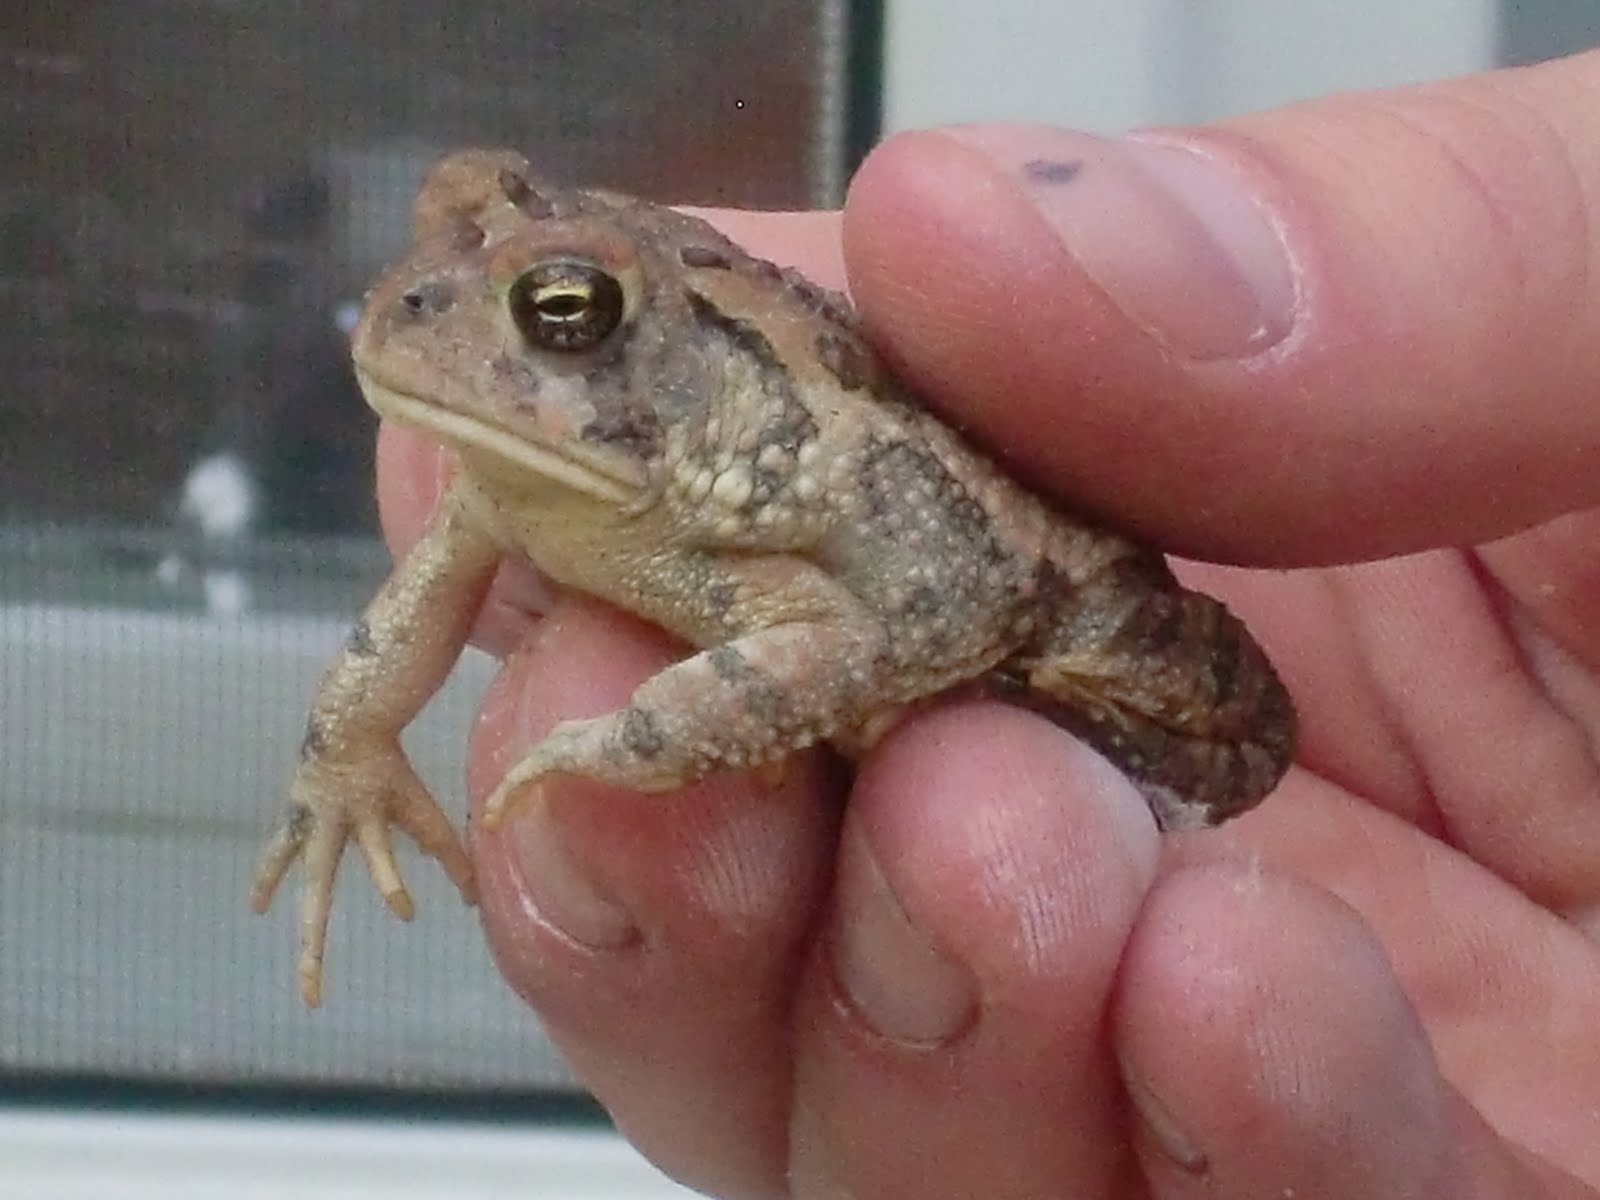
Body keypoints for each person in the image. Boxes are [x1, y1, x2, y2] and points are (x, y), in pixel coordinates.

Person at [377, 49, 1600, 1199]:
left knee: (1023, 863)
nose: (421, 305)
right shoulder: (528, 484)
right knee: (987, 905)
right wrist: (350, 752)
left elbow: (830, 641)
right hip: (923, 689)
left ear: (662, 354)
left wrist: (635, 741)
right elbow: (430, 589)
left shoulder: (736, 504)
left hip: (1042, 618)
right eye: (448, 236)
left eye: (560, 310)